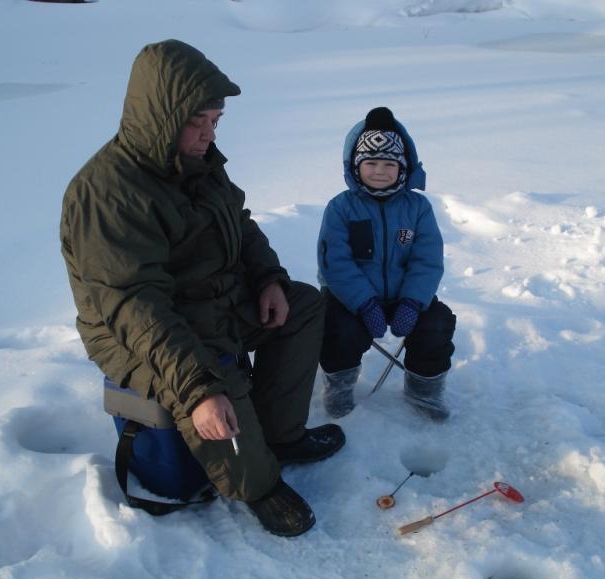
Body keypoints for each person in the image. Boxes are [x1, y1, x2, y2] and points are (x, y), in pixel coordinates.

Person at [60, 40, 345, 537]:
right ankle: (256, 484)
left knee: (301, 306)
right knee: (210, 377)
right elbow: (134, 307)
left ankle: (279, 436)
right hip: (136, 332)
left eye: (216, 121)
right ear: (162, 117)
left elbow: (241, 224)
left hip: (210, 302)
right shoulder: (106, 195)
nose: (209, 134)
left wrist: (268, 280)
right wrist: (197, 390)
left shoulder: (200, 162)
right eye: (198, 122)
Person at [316, 107, 457, 420]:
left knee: (437, 323)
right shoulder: (341, 208)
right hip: (350, 298)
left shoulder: (417, 208)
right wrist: (364, 304)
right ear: (356, 166)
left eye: (388, 164)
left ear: (402, 167)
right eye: (371, 163)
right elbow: (334, 263)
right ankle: (338, 390)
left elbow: (428, 259)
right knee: (336, 329)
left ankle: (424, 394)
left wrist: (412, 302)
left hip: (403, 296)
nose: (379, 171)